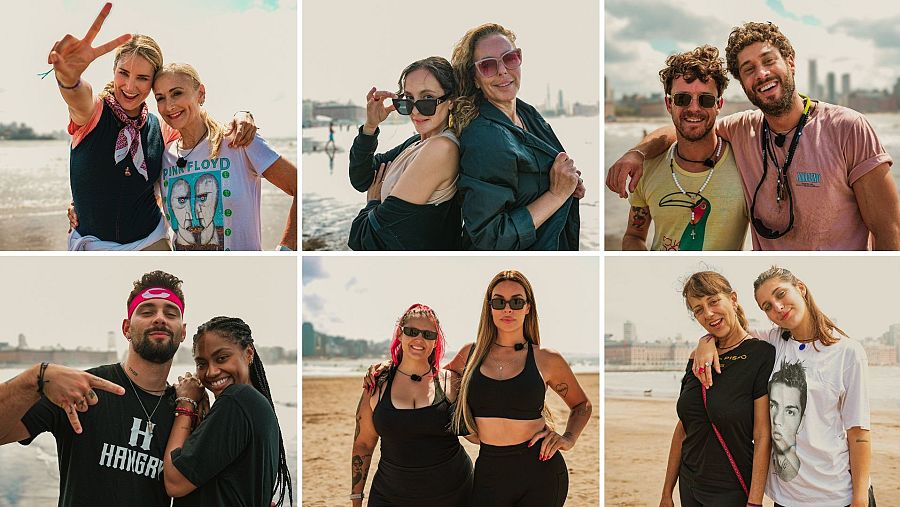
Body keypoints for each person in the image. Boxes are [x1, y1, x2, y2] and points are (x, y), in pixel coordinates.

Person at [607, 21, 900, 250]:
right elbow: (688, 128)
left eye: (768, 61)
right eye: (749, 69)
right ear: (743, 83)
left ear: (790, 62)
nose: (761, 74)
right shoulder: (742, 130)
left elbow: (890, 230)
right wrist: (637, 152)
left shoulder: (848, 128)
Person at [50, 3, 256, 250]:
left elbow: (203, 132)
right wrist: (69, 78)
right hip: (93, 245)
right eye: (123, 73)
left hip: (151, 240)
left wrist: (242, 115)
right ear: (113, 70)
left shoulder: (161, 127)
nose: (130, 86)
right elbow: (77, 96)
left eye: (142, 78)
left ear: (153, 83)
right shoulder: (93, 113)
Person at [0, 270, 188, 506]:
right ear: (127, 328)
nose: (159, 318)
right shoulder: (79, 389)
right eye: (147, 311)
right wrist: (35, 378)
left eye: (170, 313)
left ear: (183, 332)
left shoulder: (185, 411)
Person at [693, 267, 872, 506]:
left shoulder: (848, 352)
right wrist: (705, 341)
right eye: (767, 306)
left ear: (801, 288)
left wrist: (859, 499)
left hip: (837, 494)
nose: (777, 307)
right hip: (786, 498)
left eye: (781, 294)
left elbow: (858, 432)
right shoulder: (772, 342)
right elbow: (729, 331)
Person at [447, 270, 592, 505]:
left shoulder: (546, 359)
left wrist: (568, 438)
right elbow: (437, 380)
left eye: (516, 302)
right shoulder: (469, 355)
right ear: (489, 308)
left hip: (541, 472)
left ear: (528, 307)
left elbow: (581, 405)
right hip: (489, 471)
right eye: (499, 302)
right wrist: (463, 424)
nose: (507, 309)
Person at [451, 23, 584, 250]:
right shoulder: (485, 138)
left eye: (510, 58)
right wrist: (556, 195)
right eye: (488, 65)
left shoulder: (526, 113)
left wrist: (569, 183)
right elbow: (491, 237)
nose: (503, 70)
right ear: (474, 78)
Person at [153, 63, 297, 251]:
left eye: (177, 93)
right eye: (160, 98)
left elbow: (298, 184)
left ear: (200, 94)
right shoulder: (164, 155)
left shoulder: (239, 140)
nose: (169, 105)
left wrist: (287, 248)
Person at [659, 272, 773, 507]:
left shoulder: (760, 354)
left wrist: (755, 501)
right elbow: (684, 427)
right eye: (698, 309)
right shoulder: (697, 357)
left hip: (731, 487)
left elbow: (763, 435)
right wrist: (666, 492)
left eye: (713, 301)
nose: (708, 313)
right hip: (689, 483)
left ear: (733, 299)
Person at [624, 46, 748, 251]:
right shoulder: (646, 167)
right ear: (668, 104)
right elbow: (634, 235)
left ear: (719, 105)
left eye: (705, 99)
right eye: (682, 99)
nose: (694, 108)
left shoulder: (745, 165)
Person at [350, 304, 473, 506]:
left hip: (454, 494)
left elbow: (477, 432)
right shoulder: (377, 385)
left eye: (428, 334)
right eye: (412, 332)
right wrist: (356, 498)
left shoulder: (451, 382)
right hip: (390, 497)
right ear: (400, 334)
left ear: (435, 341)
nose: (419, 339)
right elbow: (363, 444)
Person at [163, 316, 293, 506]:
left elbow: (175, 482)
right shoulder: (257, 404)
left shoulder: (236, 399)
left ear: (249, 353)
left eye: (222, 358)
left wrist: (186, 404)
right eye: (202, 364)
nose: (211, 372)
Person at [347, 57, 462, 250]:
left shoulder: (441, 149)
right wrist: (370, 126)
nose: (415, 111)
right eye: (408, 99)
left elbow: (363, 237)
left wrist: (373, 203)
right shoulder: (417, 143)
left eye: (427, 99)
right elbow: (362, 178)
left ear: (451, 101)